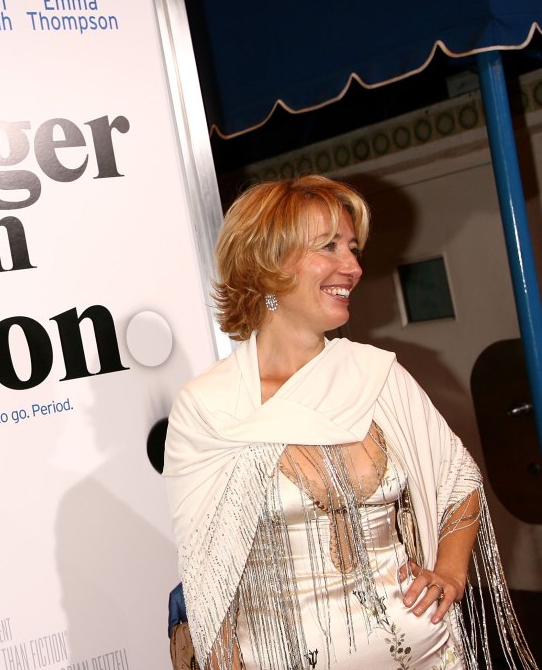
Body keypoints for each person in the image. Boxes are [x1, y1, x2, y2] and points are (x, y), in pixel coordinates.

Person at [163, 176, 538, 670]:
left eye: (354, 248)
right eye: (330, 247)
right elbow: (209, 580)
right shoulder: (209, 407)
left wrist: (450, 572)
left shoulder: (378, 375)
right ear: (269, 263)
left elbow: (458, 482)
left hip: (429, 656)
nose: (354, 267)